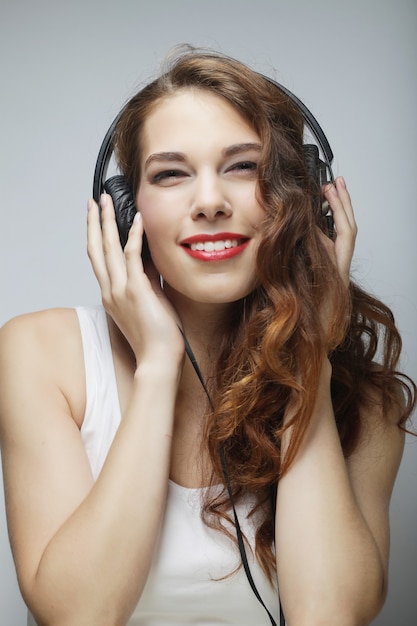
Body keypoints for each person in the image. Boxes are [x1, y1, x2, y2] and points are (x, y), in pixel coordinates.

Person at [0, 47, 415, 626]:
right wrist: (158, 364)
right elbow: (77, 615)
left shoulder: (365, 404)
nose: (211, 203)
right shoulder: (41, 355)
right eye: (171, 174)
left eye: (243, 167)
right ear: (125, 211)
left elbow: (329, 615)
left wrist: (310, 359)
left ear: (302, 199)